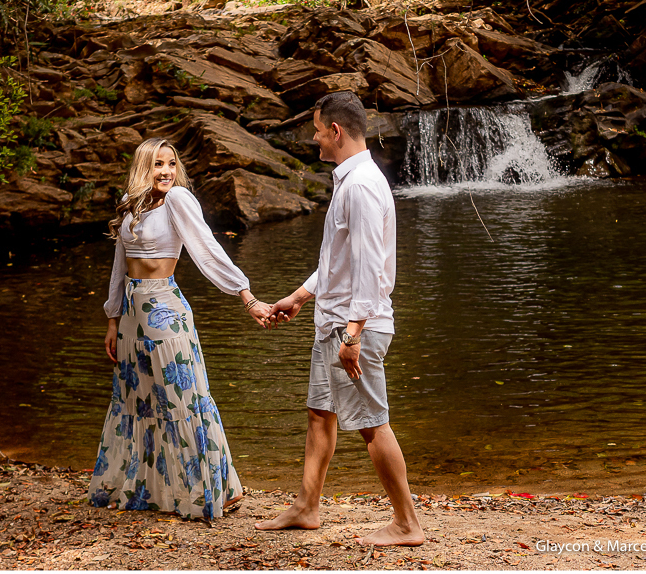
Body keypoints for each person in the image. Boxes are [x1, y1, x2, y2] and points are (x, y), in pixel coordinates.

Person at [256, 91, 426, 546]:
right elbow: (340, 259)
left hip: (354, 329)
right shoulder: (349, 181)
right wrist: (299, 296)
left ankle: (407, 524)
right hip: (335, 322)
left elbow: (371, 267)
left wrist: (353, 334)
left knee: (373, 424)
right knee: (319, 414)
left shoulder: (362, 185)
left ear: (335, 131)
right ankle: (306, 507)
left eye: (316, 130)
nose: (313, 139)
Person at [88, 137, 273, 520]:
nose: (166, 171)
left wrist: (246, 295)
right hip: (131, 316)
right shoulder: (132, 204)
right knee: (138, 402)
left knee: (182, 399)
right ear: (143, 167)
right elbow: (119, 266)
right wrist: (112, 318)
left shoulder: (178, 200)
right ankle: (147, 489)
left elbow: (207, 247)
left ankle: (215, 489)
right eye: (158, 164)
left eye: (171, 163)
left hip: (164, 312)